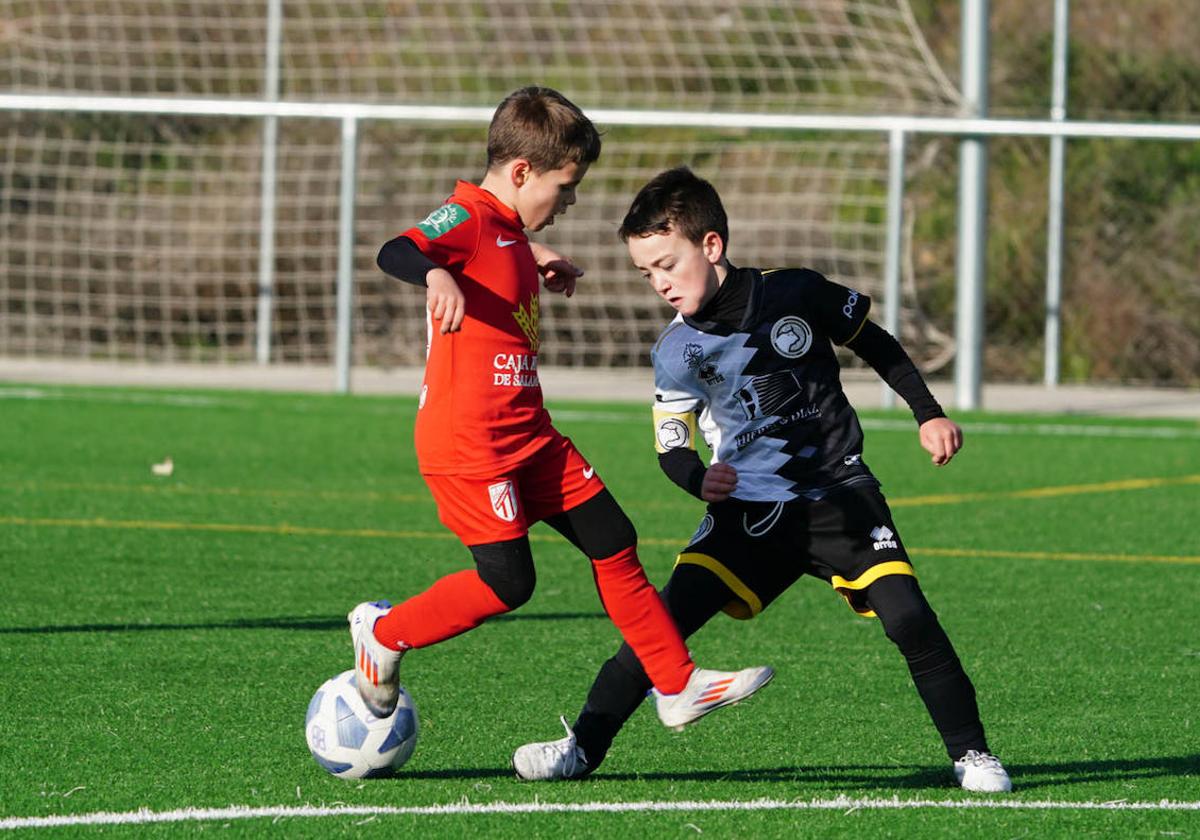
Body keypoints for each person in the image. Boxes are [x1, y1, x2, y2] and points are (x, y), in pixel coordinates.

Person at [510, 166, 1011, 793]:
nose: (660, 284)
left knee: (910, 618)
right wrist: (698, 480)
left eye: (667, 264)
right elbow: (670, 443)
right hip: (749, 510)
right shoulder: (675, 350)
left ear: (711, 245)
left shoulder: (796, 292)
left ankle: (973, 756)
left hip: (838, 494)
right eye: (647, 274)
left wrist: (927, 413)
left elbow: (876, 342)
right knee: (660, 626)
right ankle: (581, 748)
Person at [352, 90, 773, 738]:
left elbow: (498, 249)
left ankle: (675, 684)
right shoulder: (465, 213)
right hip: (470, 444)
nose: (570, 202)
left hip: (529, 433)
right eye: (565, 187)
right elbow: (399, 250)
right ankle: (382, 635)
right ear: (521, 172)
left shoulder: (508, 231)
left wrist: (535, 257)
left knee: (612, 536)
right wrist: (435, 277)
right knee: (508, 583)